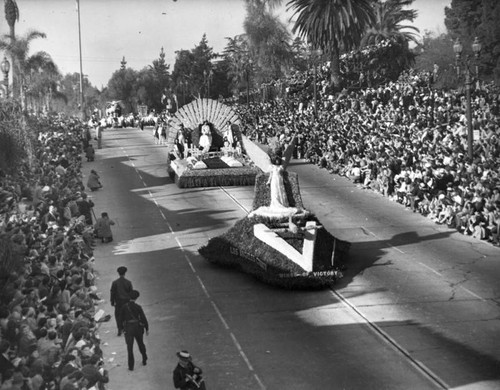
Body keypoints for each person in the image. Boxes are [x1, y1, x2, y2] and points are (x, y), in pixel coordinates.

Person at [120, 290, 148, 371]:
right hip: (138, 327)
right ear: (136, 298)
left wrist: (121, 328)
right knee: (141, 343)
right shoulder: (138, 307)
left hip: (128, 328)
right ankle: (144, 358)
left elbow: (120, 318)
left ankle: (131, 366)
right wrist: (147, 328)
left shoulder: (124, 307)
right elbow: (143, 318)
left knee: (130, 348)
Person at [110, 266, 133, 337]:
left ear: (118, 273)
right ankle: (127, 328)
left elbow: (112, 292)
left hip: (119, 302)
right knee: (127, 315)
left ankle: (120, 329)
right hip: (126, 301)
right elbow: (131, 293)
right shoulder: (128, 282)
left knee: (118, 316)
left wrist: (112, 301)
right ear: (125, 273)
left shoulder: (115, 283)